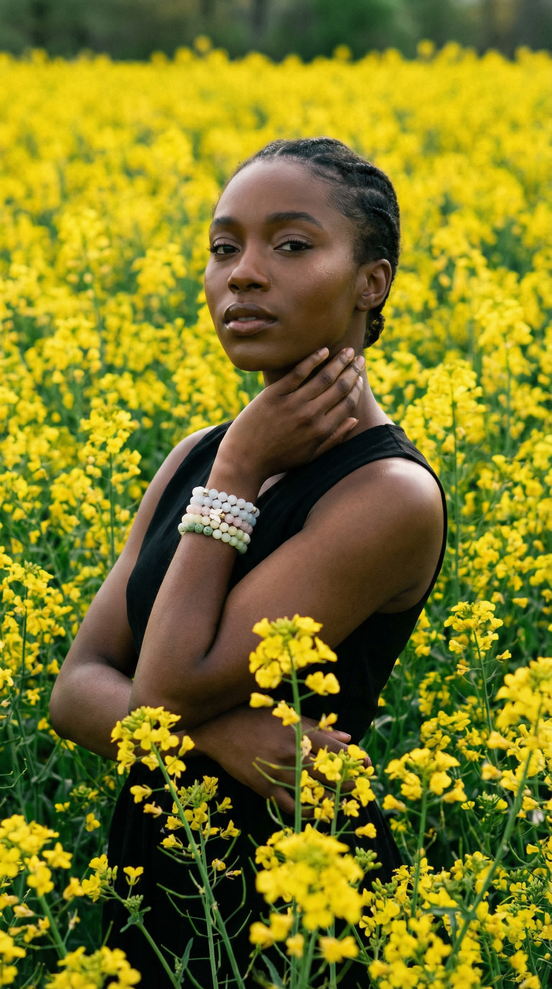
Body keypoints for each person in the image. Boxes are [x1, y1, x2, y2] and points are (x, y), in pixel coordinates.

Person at [50, 137, 446, 987]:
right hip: (153, 887)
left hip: (292, 917)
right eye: (224, 247)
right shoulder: (198, 451)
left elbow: (159, 685)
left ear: (370, 283)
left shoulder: (387, 495)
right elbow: (73, 686)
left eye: (292, 245)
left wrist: (236, 471)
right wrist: (230, 732)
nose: (243, 274)